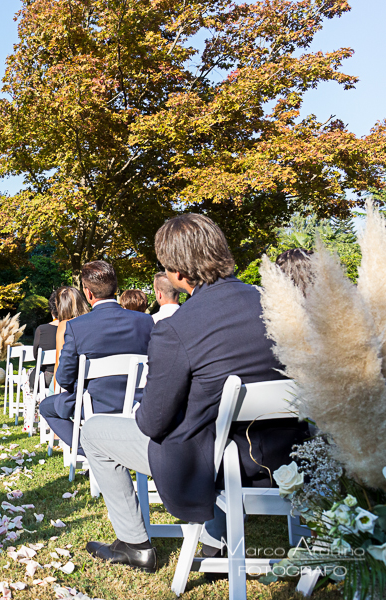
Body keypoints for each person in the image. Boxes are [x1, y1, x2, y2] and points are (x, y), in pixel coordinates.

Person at [80, 214, 309, 573]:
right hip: (287, 457)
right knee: (210, 428)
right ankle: (215, 541)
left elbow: (153, 422)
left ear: (177, 274)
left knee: (94, 432)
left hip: (215, 465)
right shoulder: (280, 305)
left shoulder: (177, 329)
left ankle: (134, 544)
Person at [40, 263, 153, 451]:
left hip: (94, 404)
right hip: (139, 401)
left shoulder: (76, 326)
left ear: (88, 293)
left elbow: (64, 379)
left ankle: (91, 451)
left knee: (46, 407)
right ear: (116, 288)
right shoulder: (146, 321)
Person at [28, 289, 59, 389]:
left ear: (51, 311)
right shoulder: (75, 328)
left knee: (29, 373)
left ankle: (33, 402)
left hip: (46, 377)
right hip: (70, 376)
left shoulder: (42, 330)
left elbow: (36, 355)